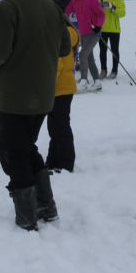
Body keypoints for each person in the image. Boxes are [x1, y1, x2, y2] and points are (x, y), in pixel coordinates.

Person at [0, 0, 71, 231]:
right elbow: (65, 47)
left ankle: (27, 216)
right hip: (44, 94)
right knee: (27, 148)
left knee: (13, 154)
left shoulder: (7, 9)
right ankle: (46, 206)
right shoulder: (51, 5)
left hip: (15, 96)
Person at [46, 20, 80, 172]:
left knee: (60, 126)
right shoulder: (63, 33)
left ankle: (65, 163)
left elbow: (57, 63)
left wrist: (48, 84)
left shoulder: (61, 35)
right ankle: (53, 160)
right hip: (60, 88)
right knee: (55, 126)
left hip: (61, 88)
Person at [65, 0, 105, 91]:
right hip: (83, 33)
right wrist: (62, 14)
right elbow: (68, 9)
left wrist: (98, 26)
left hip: (94, 33)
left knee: (83, 55)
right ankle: (97, 81)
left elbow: (101, 14)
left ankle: (84, 80)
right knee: (89, 57)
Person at [98, 0, 125, 79]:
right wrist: (101, 7)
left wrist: (113, 7)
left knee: (115, 50)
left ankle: (114, 71)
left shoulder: (119, 0)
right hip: (103, 29)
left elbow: (122, 13)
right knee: (102, 51)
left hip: (114, 30)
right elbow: (95, 12)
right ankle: (103, 70)